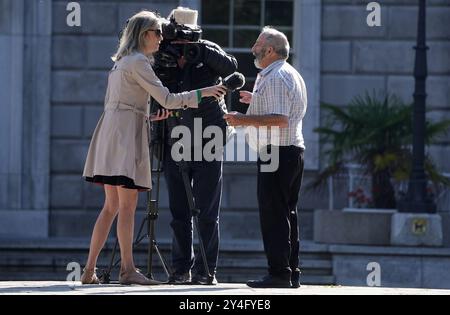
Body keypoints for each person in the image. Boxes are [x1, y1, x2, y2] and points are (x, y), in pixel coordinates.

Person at [81, 10, 227, 285]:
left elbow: (125, 101)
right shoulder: (139, 62)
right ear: (144, 34)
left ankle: (90, 270)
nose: (162, 38)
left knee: (111, 206)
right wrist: (203, 93)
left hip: (113, 130)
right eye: (157, 32)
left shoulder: (123, 61)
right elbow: (169, 99)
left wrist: (147, 114)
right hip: (125, 134)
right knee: (126, 205)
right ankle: (127, 270)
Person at [152, 7, 238, 285]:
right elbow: (151, 90)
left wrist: (201, 52)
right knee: (178, 211)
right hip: (172, 136)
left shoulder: (207, 50)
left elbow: (232, 68)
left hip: (208, 136)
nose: (181, 45)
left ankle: (205, 271)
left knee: (207, 211)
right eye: (177, 38)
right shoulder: (160, 52)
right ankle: (180, 269)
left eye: (186, 39)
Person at [224, 26, 307, 288]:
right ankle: (290, 273)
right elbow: (283, 111)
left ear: (270, 50)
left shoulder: (275, 77)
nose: (253, 48)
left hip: (277, 153)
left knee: (273, 214)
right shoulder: (286, 73)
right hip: (291, 151)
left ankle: (278, 273)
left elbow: (280, 120)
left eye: (258, 44)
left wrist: (241, 119)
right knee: (286, 213)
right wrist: (255, 99)